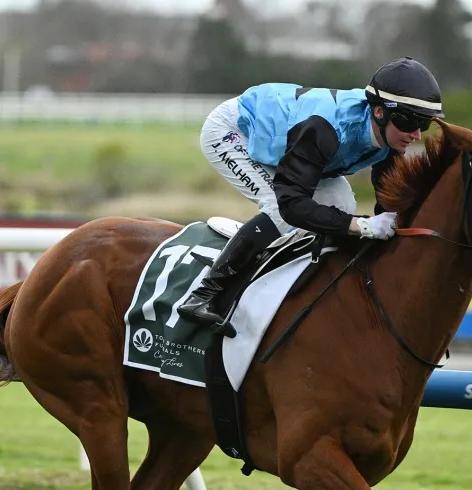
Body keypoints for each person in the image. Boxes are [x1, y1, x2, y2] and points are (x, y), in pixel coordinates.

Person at [178, 57, 444, 333]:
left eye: (423, 124)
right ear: (379, 113)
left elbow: (388, 208)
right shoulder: (325, 129)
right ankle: (204, 293)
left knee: (343, 202)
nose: (415, 134)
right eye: (409, 121)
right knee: (278, 209)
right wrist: (361, 225)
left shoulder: (391, 138)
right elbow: (292, 206)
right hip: (233, 130)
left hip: (289, 141)